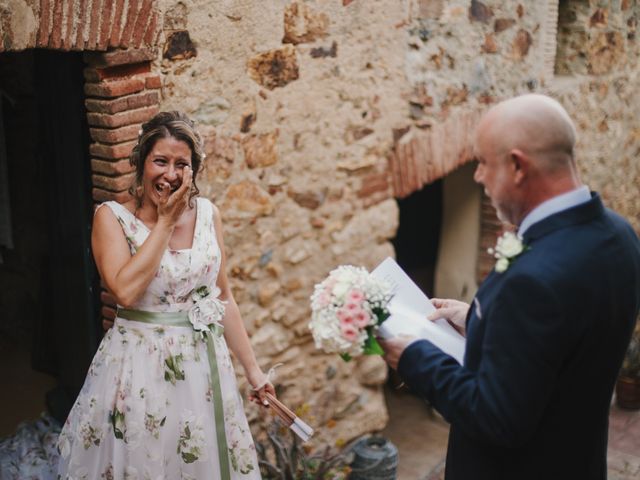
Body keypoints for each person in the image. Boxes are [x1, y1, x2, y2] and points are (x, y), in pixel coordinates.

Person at [380, 94, 640, 480]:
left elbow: (496, 418)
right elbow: (562, 343)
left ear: (518, 166)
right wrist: (478, 321)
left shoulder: (534, 279)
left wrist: (414, 356)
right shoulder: (620, 237)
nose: (477, 176)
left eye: (484, 162)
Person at [57, 111, 274, 479]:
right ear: (141, 163)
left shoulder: (208, 215)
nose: (170, 174)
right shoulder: (111, 218)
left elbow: (223, 297)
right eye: (160, 161)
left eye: (181, 164)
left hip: (201, 371)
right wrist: (167, 221)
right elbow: (125, 290)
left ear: (194, 171)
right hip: (139, 369)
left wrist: (254, 373)